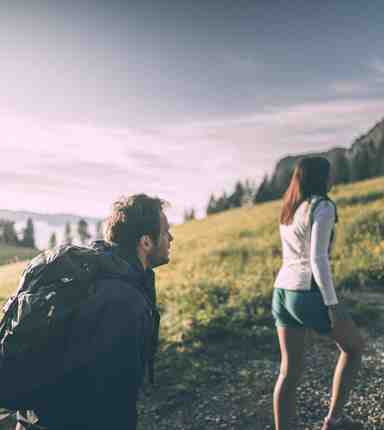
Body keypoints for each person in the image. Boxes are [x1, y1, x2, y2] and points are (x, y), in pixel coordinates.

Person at [15, 194, 173, 430]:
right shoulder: (124, 301)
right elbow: (114, 397)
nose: (171, 238)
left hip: (32, 418)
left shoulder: (93, 274)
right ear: (146, 242)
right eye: (165, 232)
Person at [272, 157, 365, 430]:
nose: (333, 178)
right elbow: (318, 259)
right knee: (354, 348)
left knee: (289, 371)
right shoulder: (322, 207)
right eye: (330, 173)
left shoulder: (290, 209)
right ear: (321, 177)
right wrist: (332, 304)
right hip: (306, 290)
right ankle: (334, 421)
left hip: (281, 293)